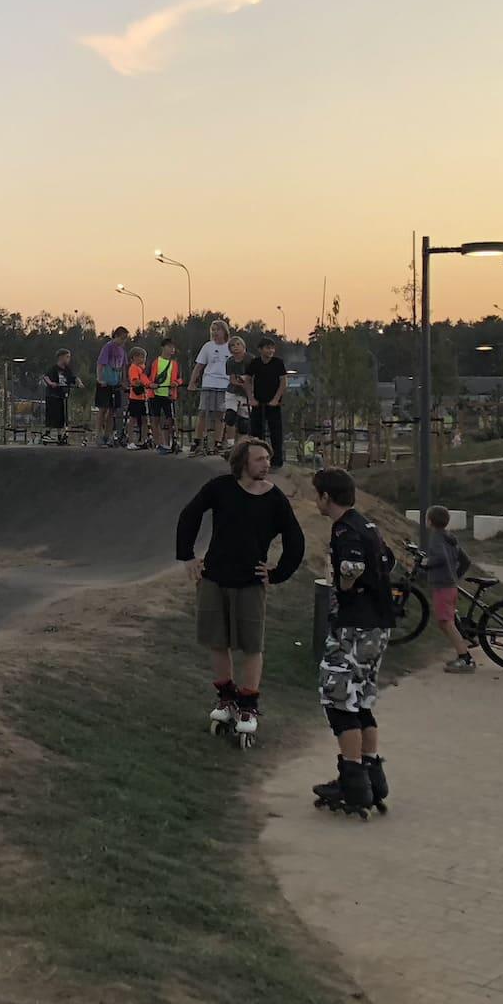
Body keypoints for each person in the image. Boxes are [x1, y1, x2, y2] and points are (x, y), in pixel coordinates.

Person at [175, 437, 306, 742]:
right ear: (243, 463)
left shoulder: (275, 499)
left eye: (267, 458)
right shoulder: (220, 487)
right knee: (217, 642)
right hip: (214, 577)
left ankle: (248, 705)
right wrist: (187, 556)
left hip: (249, 582)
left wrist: (277, 573)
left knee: (251, 646)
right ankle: (226, 697)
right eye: (259, 459)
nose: (266, 464)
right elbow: (190, 515)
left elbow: (295, 541)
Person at [309, 467, 396, 816]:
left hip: (354, 626)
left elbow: (351, 567)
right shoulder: (367, 524)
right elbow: (387, 559)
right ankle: (373, 775)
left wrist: (344, 586)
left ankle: (354, 782)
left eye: (317, 494)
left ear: (326, 497)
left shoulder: (344, 528)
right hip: (378, 624)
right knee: (361, 699)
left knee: (338, 698)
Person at [422, 504, 477, 673]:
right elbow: (466, 560)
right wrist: (455, 576)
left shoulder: (436, 538)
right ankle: (463, 648)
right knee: (445, 622)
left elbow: (440, 557)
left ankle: (465, 658)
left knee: (446, 623)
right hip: (450, 585)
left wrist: (426, 563)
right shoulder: (449, 537)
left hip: (442, 586)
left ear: (430, 521)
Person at [244, 337, 289, 469]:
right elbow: (247, 380)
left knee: (276, 431)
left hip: (273, 403)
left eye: (272, 348)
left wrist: (276, 399)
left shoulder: (278, 363)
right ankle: (255, 458)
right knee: (256, 431)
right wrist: (251, 398)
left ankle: (277, 459)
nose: (271, 351)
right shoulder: (255, 363)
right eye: (267, 348)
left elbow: (283, 382)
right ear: (260, 349)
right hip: (258, 402)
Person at [190, 321, 232, 457]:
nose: (215, 333)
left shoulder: (230, 347)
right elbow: (199, 366)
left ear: (224, 331)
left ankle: (218, 441)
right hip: (209, 383)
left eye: (217, 330)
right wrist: (193, 382)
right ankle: (198, 440)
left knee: (221, 414)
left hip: (224, 384)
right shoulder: (208, 347)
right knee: (203, 412)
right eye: (212, 330)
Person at [94, 327, 129, 446]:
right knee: (103, 408)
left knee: (112, 410)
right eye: (122, 338)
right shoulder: (108, 347)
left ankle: (107, 435)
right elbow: (100, 364)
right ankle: (98, 434)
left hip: (116, 383)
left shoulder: (122, 351)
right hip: (105, 382)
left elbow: (124, 366)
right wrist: (100, 379)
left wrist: (124, 381)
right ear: (116, 336)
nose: (124, 341)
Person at [152, 337, 183, 455]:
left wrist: (177, 383)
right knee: (155, 419)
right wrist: (150, 384)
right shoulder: (155, 362)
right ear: (163, 347)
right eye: (169, 347)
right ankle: (159, 443)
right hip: (155, 395)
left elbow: (180, 378)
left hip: (169, 395)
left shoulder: (174, 364)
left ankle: (170, 442)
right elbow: (146, 376)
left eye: (173, 348)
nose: (172, 350)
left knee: (170, 419)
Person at [41, 349, 79, 445]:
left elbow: (73, 378)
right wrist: (51, 383)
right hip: (53, 395)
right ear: (61, 357)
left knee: (61, 417)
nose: (69, 359)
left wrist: (78, 382)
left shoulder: (67, 370)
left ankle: (59, 436)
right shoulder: (54, 368)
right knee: (52, 415)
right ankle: (47, 434)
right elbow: (45, 376)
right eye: (67, 357)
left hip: (62, 396)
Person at [222, 335, 251, 454]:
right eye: (233, 345)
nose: (236, 348)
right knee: (230, 416)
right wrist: (240, 381)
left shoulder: (250, 360)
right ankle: (230, 445)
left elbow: (253, 377)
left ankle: (241, 446)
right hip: (233, 391)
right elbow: (232, 379)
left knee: (244, 422)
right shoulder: (230, 362)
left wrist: (246, 382)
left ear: (243, 346)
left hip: (247, 393)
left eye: (238, 344)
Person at [125, 344, 154, 449]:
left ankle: (143, 439)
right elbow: (135, 381)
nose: (143, 360)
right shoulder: (133, 368)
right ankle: (130, 441)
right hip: (135, 397)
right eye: (141, 357)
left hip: (143, 397)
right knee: (133, 419)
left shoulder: (142, 368)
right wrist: (145, 383)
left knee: (144, 419)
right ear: (134, 357)